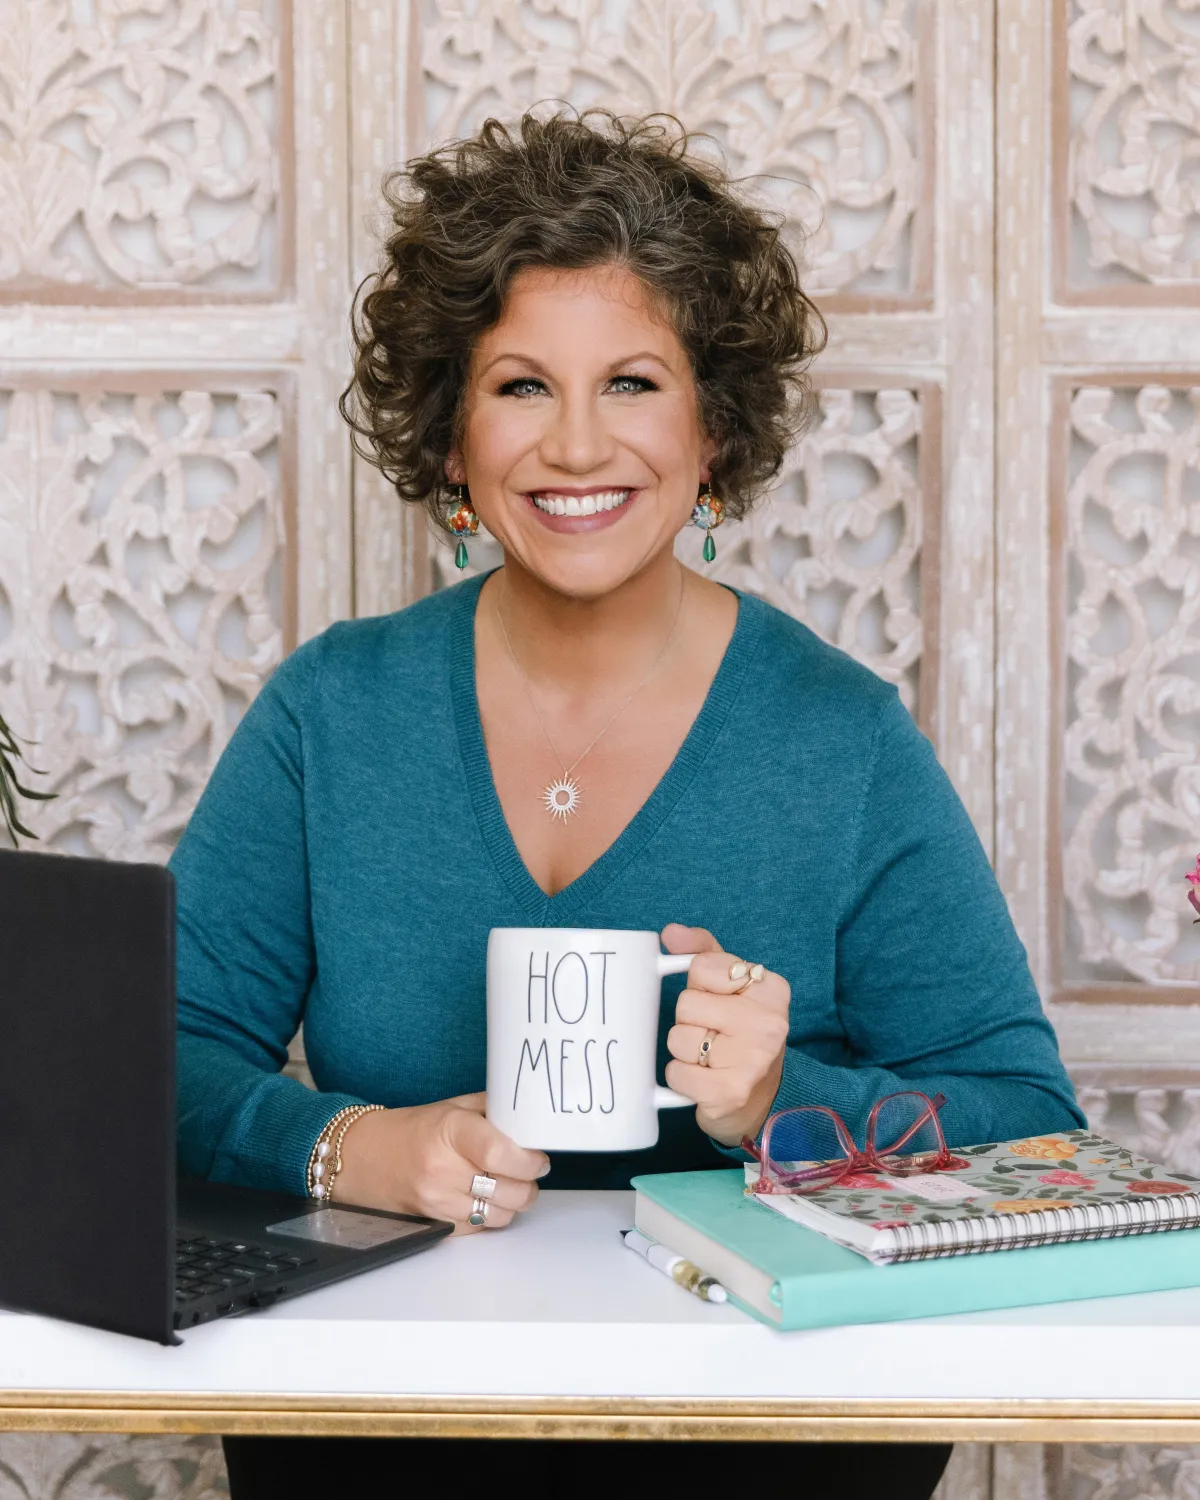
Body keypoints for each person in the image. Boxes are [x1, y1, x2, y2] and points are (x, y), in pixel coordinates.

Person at [172, 110, 1082, 1499]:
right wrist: (354, 1145)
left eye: (636, 382)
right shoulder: (332, 713)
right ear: (454, 436)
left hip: (760, 1434)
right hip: (386, 1429)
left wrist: (781, 1100)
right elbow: (152, 1059)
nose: (577, 445)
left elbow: (1031, 1125)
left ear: (713, 428)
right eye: (523, 386)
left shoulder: (841, 739)